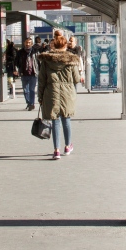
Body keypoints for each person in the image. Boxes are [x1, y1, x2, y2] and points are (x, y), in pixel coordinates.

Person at [39, 30, 80, 160]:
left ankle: (56, 150)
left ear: (54, 45)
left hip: (51, 92)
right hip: (67, 93)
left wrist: (40, 97)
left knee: (55, 120)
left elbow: (41, 80)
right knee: (66, 119)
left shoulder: (46, 60)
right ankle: (67, 146)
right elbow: (76, 79)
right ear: (65, 46)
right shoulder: (71, 60)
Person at [16, 37, 38, 110]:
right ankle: (28, 103)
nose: (27, 44)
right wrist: (16, 69)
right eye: (26, 42)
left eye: (29, 43)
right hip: (24, 73)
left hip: (33, 73)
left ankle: (31, 103)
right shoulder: (20, 52)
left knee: (32, 89)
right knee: (25, 90)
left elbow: (39, 62)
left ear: (31, 44)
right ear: (24, 43)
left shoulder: (35, 52)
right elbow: (16, 62)